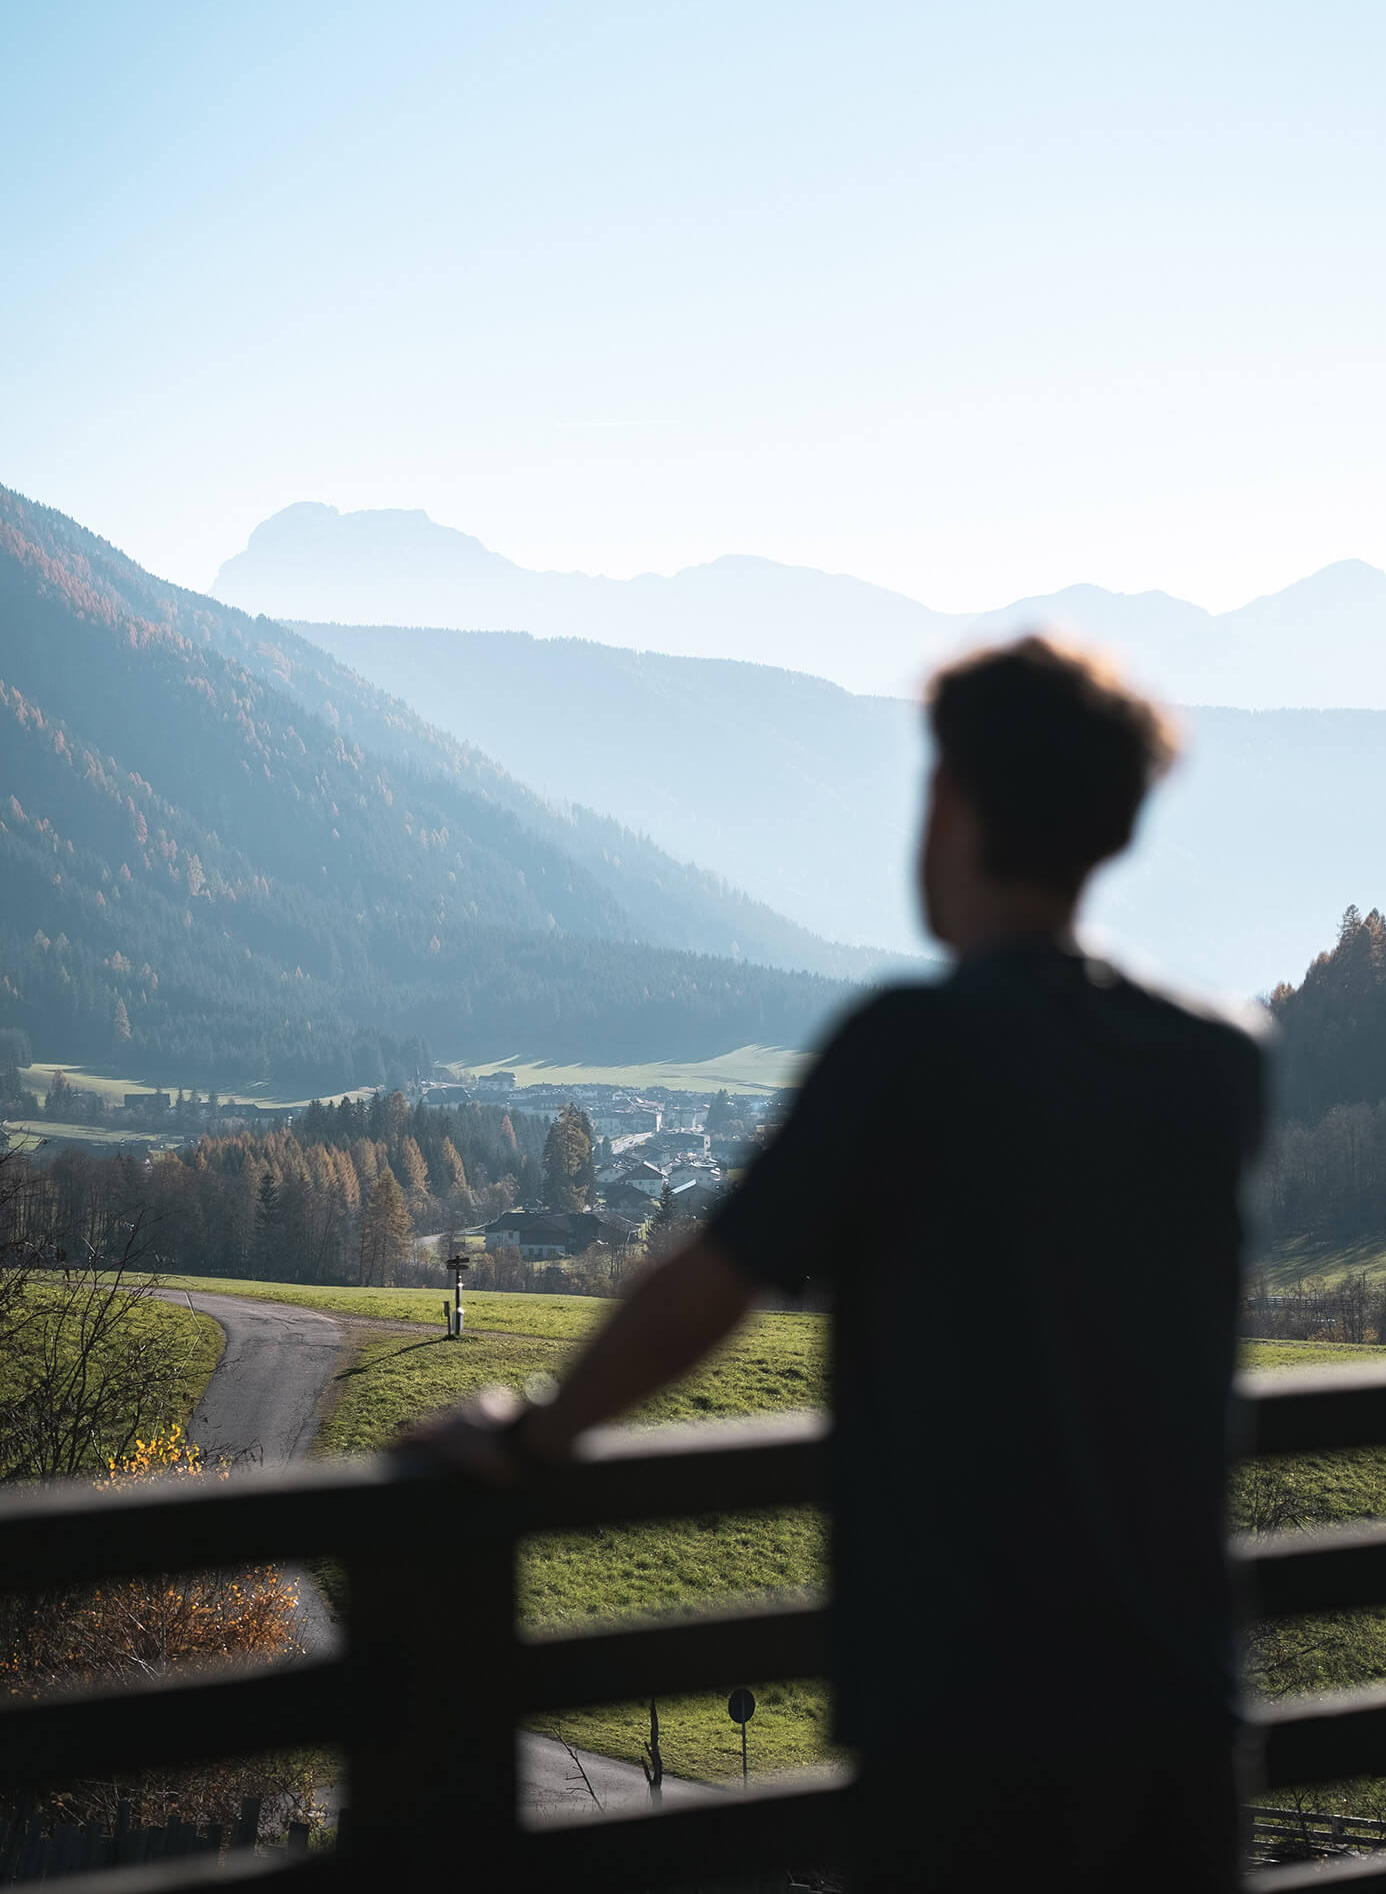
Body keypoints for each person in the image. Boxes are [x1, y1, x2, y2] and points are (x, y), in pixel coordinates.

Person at [404, 635, 1268, 1891]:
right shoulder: (1217, 1059)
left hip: (969, 1713)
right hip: (1179, 1700)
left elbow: (710, 1286)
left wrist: (539, 1434)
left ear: (952, 806)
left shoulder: (911, 1048)